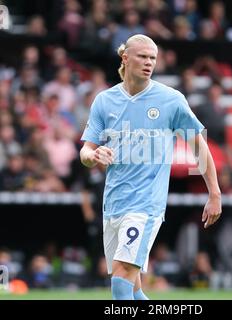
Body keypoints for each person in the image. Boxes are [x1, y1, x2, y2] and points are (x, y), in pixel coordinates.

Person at [79, 34, 222, 300]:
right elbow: (85, 150)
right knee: (133, 288)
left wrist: (214, 192)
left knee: (121, 278)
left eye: (153, 58)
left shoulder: (171, 100)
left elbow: (199, 146)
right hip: (113, 205)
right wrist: (93, 154)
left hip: (146, 207)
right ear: (125, 57)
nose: (149, 63)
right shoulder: (104, 101)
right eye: (143, 56)